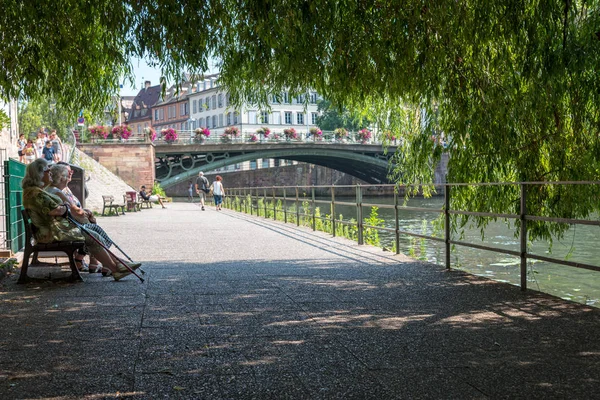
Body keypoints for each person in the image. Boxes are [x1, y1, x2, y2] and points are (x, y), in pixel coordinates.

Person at [22, 158, 141, 280]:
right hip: (53, 233)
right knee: (93, 235)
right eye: (48, 171)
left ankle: (118, 265)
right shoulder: (36, 193)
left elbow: (57, 209)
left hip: (55, 230)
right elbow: (56, 210)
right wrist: (65, 207)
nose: (50, 173)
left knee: (93, 234)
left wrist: (64, 208)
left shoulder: (35, 192)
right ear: (40, 174)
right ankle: (116, 268)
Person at [46, 163, 110, 274]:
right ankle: (103, 263)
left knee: (92, 228)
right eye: (67, 172)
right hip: (66, 226)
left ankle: (98, 262)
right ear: (60, 176)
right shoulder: (58, 191)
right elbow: (72, 210)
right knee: (93, 231)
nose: (71, 173)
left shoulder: (63, 189)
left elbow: (74, 208)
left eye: (71, 171)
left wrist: (83, 212)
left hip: (71, 222)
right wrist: (82, 212)